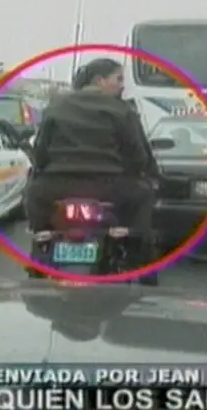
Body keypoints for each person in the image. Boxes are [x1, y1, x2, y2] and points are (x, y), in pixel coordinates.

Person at [26, 58, 160, 285]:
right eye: (118, 79)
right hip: (109, 188)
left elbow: (40, 154)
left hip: (56, 187)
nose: (122, 86)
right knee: (144, 200)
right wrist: (146, 176)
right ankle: (146, 277)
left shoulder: (56, 106)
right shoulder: (122, 110)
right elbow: (138, 156)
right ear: (100, 80)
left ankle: (41, 242)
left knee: (33, 195)